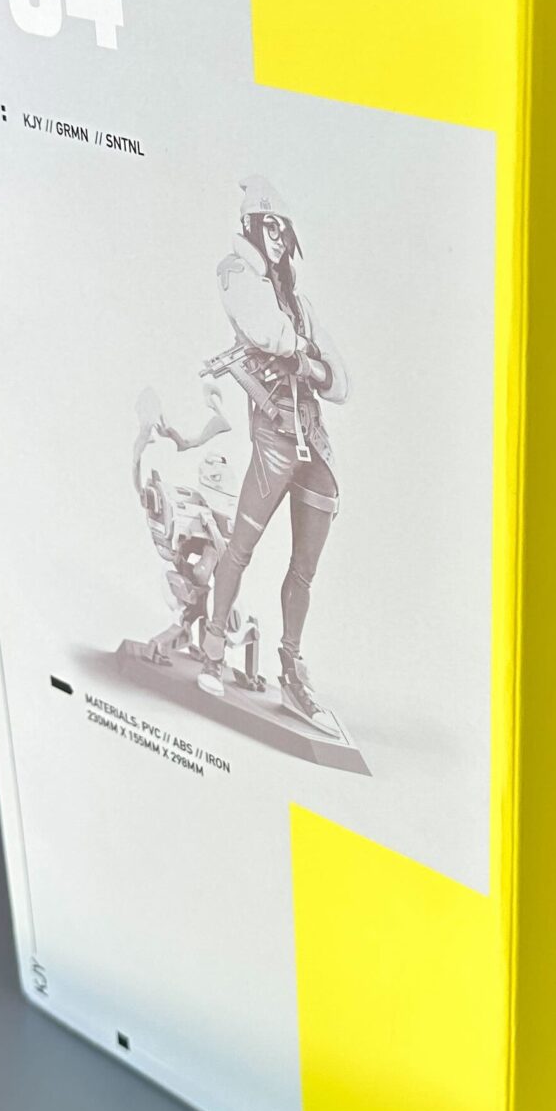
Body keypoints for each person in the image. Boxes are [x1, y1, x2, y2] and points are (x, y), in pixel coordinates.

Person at [196, 177, 350, 736]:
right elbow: (267, 333)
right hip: (274, 437)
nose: (280, 239)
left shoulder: (300, 305)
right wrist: (303, 353)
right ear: (253, 229)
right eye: (271, 228)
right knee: (241, 546)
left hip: (312, 438)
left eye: (285, 230)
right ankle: (213, 648)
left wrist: (306, 360)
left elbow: (340, 381)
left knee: (305, 566)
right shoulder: (236, 273)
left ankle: (291, 670)